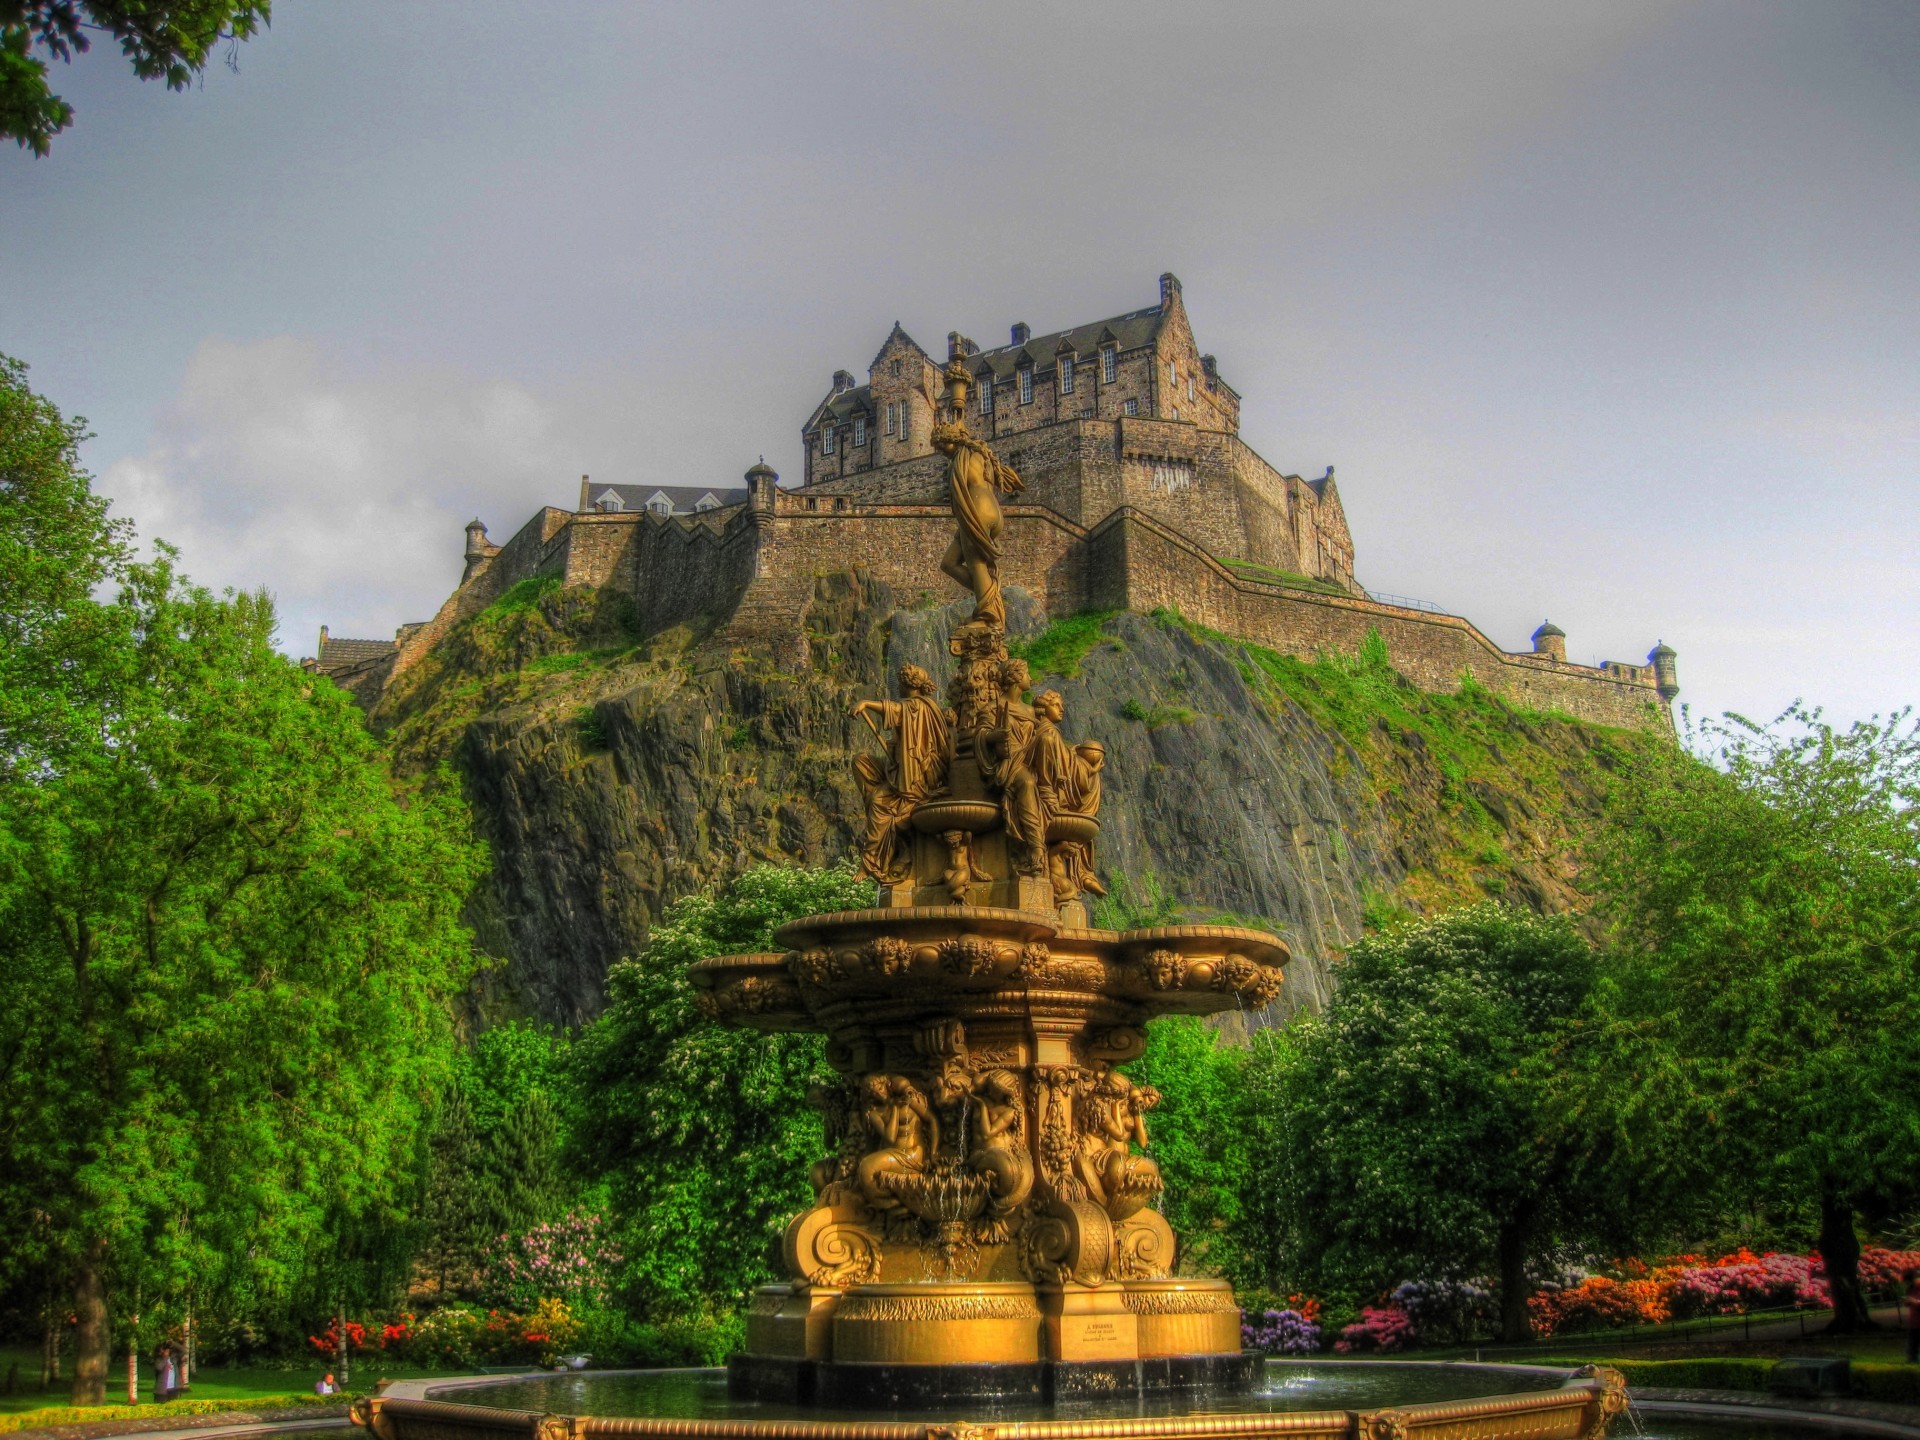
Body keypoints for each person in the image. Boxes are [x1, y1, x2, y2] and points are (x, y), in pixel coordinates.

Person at [1905, 1267, 1920, 1365]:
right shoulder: (1911, 1288)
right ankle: (1912, 1361)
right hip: (1914, 1322)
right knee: (1912, 1344)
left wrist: (1913, 1302)